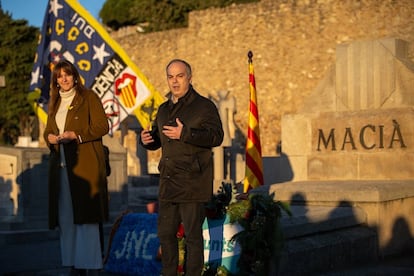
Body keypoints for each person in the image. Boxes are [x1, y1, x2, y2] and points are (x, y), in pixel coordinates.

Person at [140, 59, 224, 275]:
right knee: (166, 235)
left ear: (189, 77)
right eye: (170, 76)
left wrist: (185, 133)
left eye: (179, 76)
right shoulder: (163, 109)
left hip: (193, 182)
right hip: (168, 181)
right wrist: (148, 140)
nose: (174, 81)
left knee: (192, 237)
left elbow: (216, 137)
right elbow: (159, 139)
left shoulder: (204, 106)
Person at [43, 60, 109, 276]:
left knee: (86, 217)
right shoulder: (54, 103)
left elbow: (102, 126)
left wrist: (77, 136)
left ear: (74, 76)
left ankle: (90, 265)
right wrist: (51, 138)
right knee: (66, 216)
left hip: (85, 166)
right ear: (56, 81)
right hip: (61, 167)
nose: (64, 79)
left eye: (67, 74)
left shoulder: (88, 97)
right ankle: (73, 264)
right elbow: (47, 131)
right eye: (59, 76)